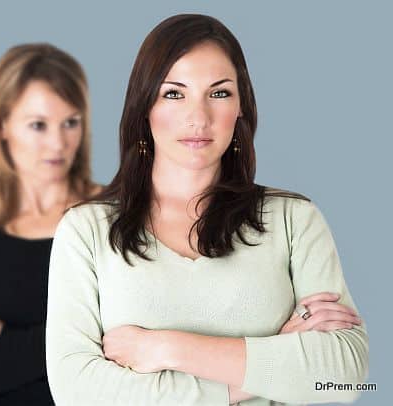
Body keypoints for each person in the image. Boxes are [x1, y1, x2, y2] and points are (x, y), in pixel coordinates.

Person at [45, 14, 368, 405]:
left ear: (241, 107)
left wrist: (167, 348)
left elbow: (346, 379)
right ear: (144, 107)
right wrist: (253, 376)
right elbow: (77, 392)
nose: (198, 117)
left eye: (219, 93)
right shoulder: (86, 230)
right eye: (174, 94)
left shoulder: (293, 220)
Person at [0, 43, 101, 405]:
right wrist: (83, 339)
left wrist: (8, 342)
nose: (58, 143)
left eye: (70, 122)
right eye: (38, 125)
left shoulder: (111, 214)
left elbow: (138, 344)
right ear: (2, 126)